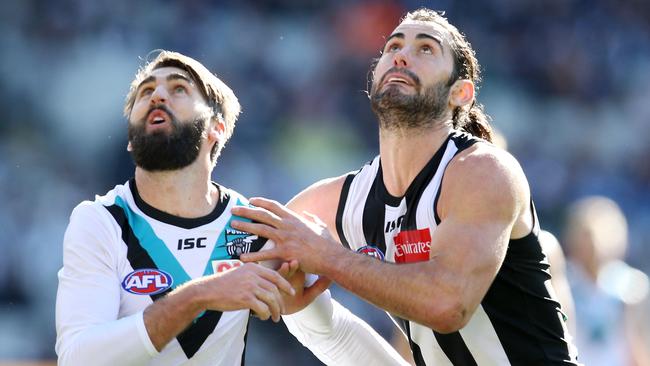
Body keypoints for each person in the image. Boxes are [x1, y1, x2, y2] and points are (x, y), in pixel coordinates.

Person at [233, 8, 581, 365]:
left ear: (460, 93)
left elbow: (448, 304)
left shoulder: (483, 170)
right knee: (308, 314)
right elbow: (242, 256)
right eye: (392, 46)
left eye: (426, 49)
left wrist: (326, 256)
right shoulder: (347, 197)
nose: (401, 54)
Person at [55, 50, 408, 365]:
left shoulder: (253, 226)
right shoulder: (101, 221)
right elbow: (78, 357)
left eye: (179, 88)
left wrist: (302, 308)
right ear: (131, 139)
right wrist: (201, 294)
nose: (158, 94)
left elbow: (334, 335)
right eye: (145, 92)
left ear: (216, 129)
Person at [563, 195, 649, 366]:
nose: (593, 245)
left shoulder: (631, 285)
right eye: (586, 235)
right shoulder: (565, 281)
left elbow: (638, 342)